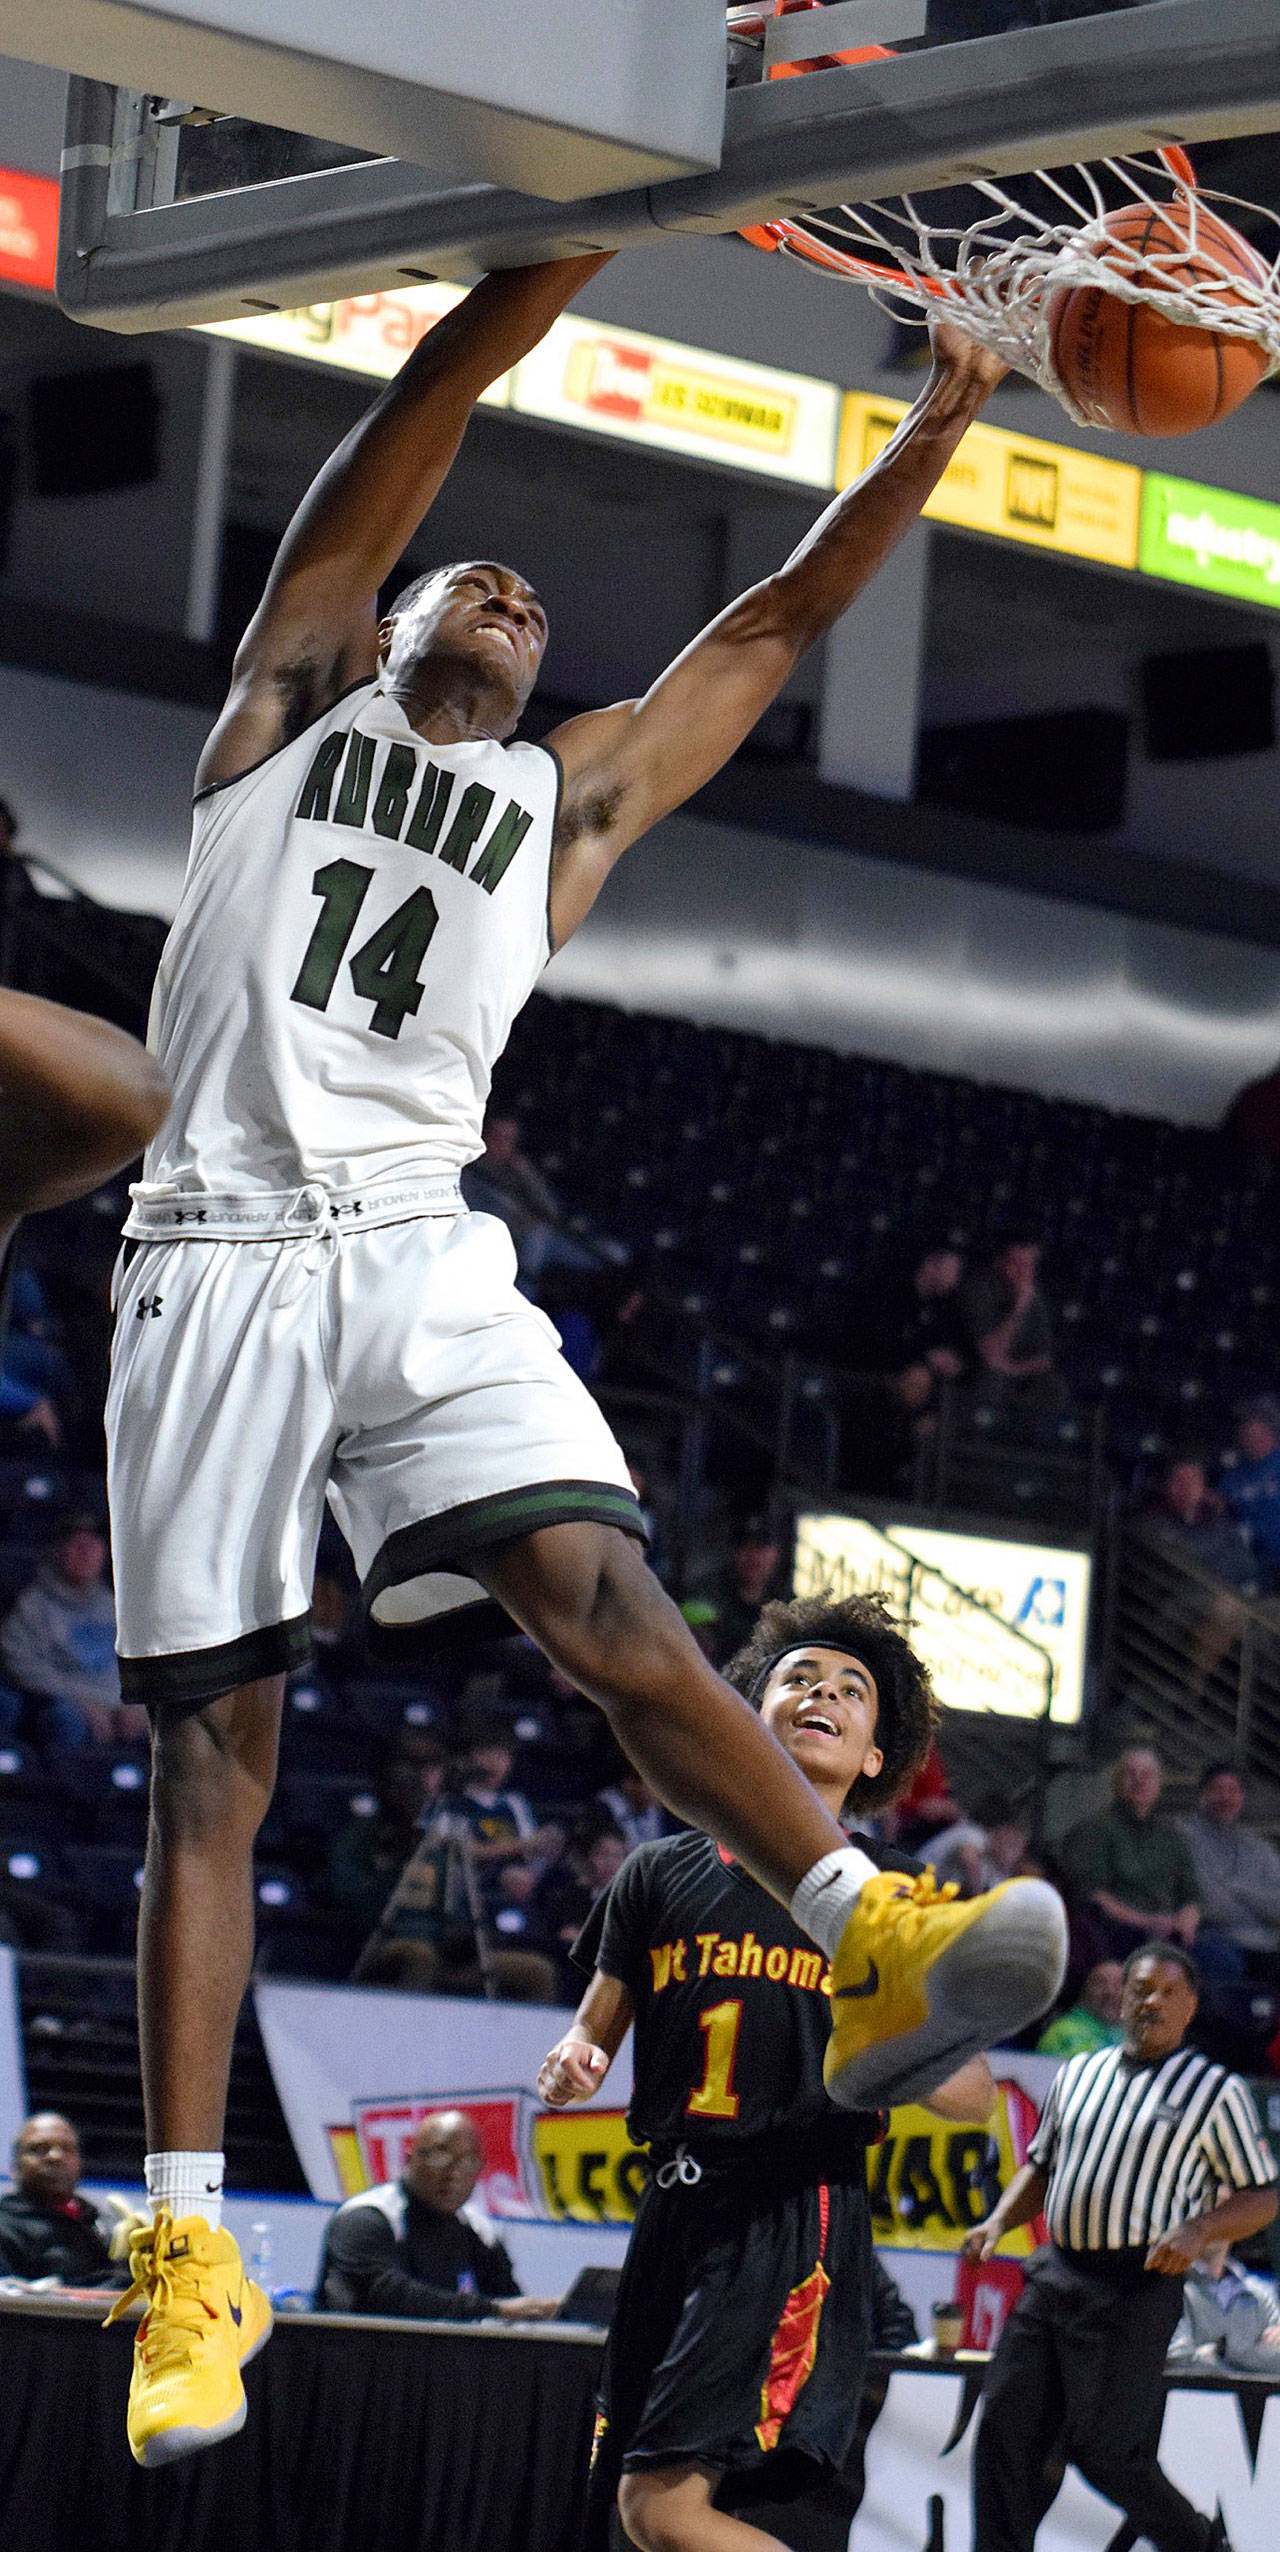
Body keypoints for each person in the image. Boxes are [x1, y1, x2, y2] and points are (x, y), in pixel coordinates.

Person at [100, 247, 1062, 2466]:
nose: (516, 598)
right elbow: (421, 404)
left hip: (426, 1248)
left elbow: (768, 632)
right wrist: (554, 249)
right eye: (480, 583)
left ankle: (864, 1920)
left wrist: (943, 408)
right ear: (387, 623)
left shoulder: (567, 811)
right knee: (219, 1766)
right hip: (214, 1254)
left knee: (608, 1603)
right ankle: (175, 2248)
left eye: (539, 606)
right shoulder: (281, 726)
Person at [538, 1591, 1002, 2552]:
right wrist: (572, 2060)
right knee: (630, 2521)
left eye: (851, 1688)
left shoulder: (894, 1898)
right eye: (799, 1677)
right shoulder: (658, 1873)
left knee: (661, 2511)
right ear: (749, 1717)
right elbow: (593, 2029)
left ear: (877, 1755)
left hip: (790, 2207)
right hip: (671, 2208)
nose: (821, 1693)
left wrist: (895, 2044)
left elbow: (976, 2096)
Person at [965, 1943, 1278, 2552]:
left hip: (1135, 2284)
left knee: (1107, 2452)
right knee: (1004, 2434)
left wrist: (1198, 2230)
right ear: (1121, 1999)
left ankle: (1202, 2546)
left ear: (1189, 2008)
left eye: (1166, 1991)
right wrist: (999, 2220)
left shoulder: (1216, 2090)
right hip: (1056, 2273)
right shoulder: (1079, 2073)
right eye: (1139, 1989)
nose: (1149, 2001)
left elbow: (1263, 2197)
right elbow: (1042, 2164)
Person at [315, 2109, 557, 2320]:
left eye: (468, 2162)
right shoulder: (365, 2218)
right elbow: (386, 2296)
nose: (453, 2173)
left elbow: (509, 2301)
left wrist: (551, 2311)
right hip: (356, 2359)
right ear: (409, 2159)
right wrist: (491, 2310)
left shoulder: (477, 2229)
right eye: (440, 2156)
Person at [0, 1509, 143, 1751]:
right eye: (76, 1544)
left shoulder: (116, 1606)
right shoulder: (34, 1606)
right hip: (68, 1704)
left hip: (119, 1708)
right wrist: (82, 1702)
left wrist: (137, 1703)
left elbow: (139, 1666)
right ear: (58, 1551)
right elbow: (21, 1663)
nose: (85, 1552)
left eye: (93, 1545)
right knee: (65, 1718)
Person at [1061, 1746, 1200, 1964]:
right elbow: (1092, 1893)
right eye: (1130, 1773)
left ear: (1158, 1784)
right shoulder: (1094, 1830)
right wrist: (1147, 1922)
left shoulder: (1172, 1837)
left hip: (1170, 1931)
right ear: (1116, 1782)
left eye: (1147, 1774)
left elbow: (1190, 1893)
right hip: (1118, 1930)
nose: (1139, 1780)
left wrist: (1187, 1921)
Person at [0, 2111, 124, 2288]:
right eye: (40, 2148)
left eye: (67, 2148)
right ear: (15, 2165)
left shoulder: (107, 2225)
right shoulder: (5, 2228)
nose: (55, 2156)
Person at [1182, 1762, 1280, 1985]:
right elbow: (1208, 1902)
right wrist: (1258, 1904)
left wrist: (1235, 1888)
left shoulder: (1259, 1849)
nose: (1225, 1798)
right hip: (1214, 1938)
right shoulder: (1183, 1839)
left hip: (1266, 1942)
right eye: (1217, 1790)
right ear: (1201, 1796)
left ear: (1242, 1799)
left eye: (1233, 1791)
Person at [1168, 2238, 1280, 2374]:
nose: (1214, 2223)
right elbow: (1179, 2362)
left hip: (1256, 2394)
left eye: (1221, 2216)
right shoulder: (1170, 2288)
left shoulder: (1260, 2293)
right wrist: (1254, 2353)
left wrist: (1223, 2352)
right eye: (1203, 2215)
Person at [1220, 1399, 1280, 1585]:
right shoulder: (1232, 1476)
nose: (1248, 1432)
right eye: (1244, 1427)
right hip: (1252, 1562)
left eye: (1254, 1425)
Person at [1035, 1958, 1124, 2058]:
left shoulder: (1136, 2037)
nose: (1110, 1992)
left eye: (1118, 1985)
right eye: (1099, 1983)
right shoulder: (1063, 2033)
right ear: (1084, 1991)